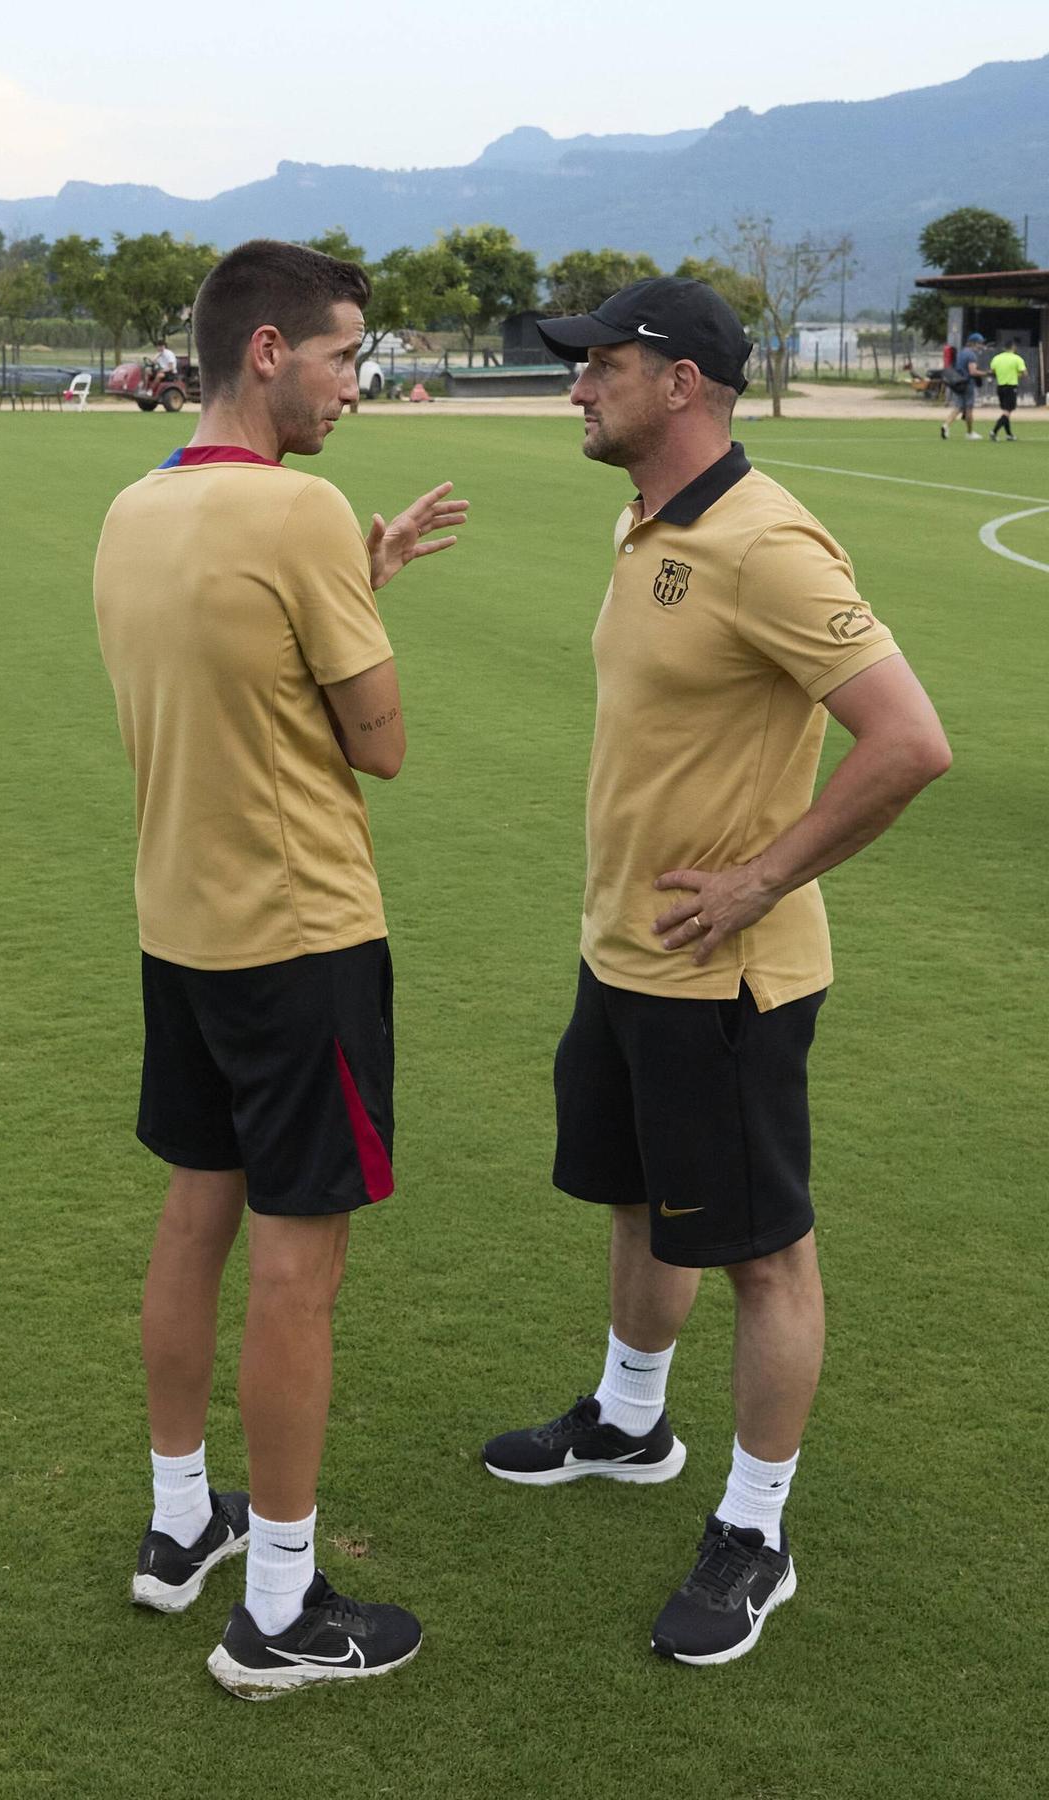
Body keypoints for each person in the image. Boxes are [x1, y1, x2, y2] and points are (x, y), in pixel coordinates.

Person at [481, 276, 951, 1666]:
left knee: (763, 1258)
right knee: (635, 1202)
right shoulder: (645, 521)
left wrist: (760, 878)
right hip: (625, 956)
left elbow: (909, 742)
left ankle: (756, 1530)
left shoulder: (767, 545)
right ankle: (631, 1424)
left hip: (728, 982)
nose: (576, 387)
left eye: (600, 367)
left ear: (681, 381)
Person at [93, 239, 467, 1698]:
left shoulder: (135, 507)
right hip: (301, 939)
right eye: (345, 358)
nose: (354, 389)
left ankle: (183, 1523)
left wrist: (349, 582)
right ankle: (283, 1611)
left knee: (198, 1218)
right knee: (300, 1263)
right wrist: (354, 585)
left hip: (181, 930)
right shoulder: (298, 508)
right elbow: (376, 740)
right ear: (267, 352)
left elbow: (230, 670)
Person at [941, 331, 986, 439]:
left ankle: (945, 425)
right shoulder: (971, 355)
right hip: (968, 384)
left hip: (959, 383)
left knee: (958, 407)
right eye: (980, 343)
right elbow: (973, 372)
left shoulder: (962, 353)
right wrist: (987, 373)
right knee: (969, 408)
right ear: (974, 343)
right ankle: (970, 433)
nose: (981, 346)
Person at [988, 340, 1027, 440]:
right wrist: (1015, 375)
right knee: (1007, 412)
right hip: (1011, 387)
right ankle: (994, 431)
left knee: (1006, 411)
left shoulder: (997, 358)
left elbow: (992, 373)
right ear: (1013, 347)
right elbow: (1024, 374)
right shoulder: (1017, 359)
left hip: (1000, 387)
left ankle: (1009, 435)